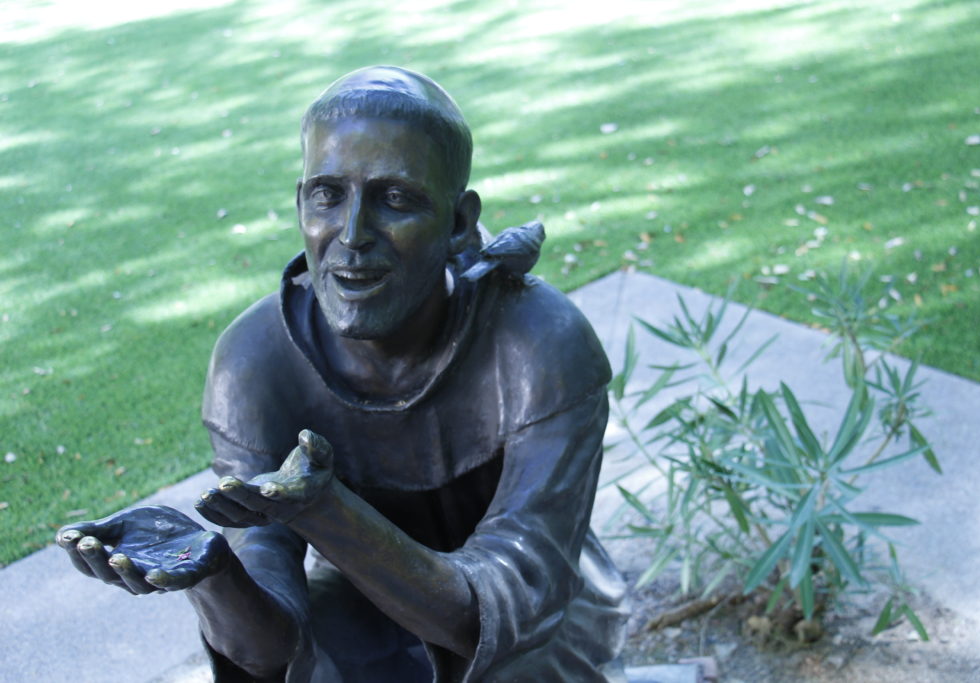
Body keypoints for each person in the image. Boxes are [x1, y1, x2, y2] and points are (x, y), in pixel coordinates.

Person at [57, 65, 628, 682]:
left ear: (460, 224)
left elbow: (512, 605)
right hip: (363, 595)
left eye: (397, 198)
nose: (351, 235)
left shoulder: (540, 344)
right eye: (328, 194)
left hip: (540, 623)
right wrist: (216, 574)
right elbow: (272, 650)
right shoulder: (254, 364)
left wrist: (325, 510)